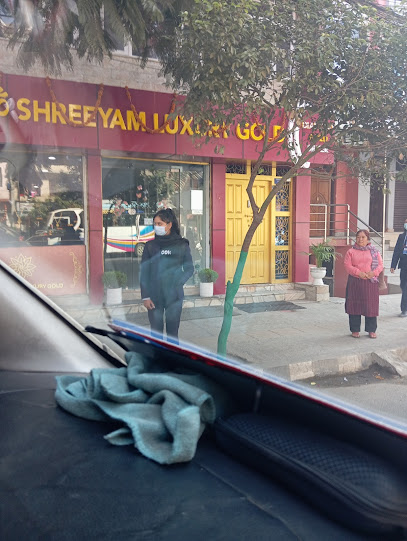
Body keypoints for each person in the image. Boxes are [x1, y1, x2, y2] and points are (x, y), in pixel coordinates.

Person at [140, 208, 194, 343]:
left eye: (160, 224)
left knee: (172, 334)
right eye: (155, 224)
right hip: (154, 297)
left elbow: (189, 268)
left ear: (169, 225)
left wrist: (178, 282)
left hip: (174, 296)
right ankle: (158, 356)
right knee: (156, 334)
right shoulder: (150, 246)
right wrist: (145, 297)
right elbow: (144, 273)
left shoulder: (181, 244)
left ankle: (171, 356)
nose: (156, 226)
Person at [344, 229, 383, 339]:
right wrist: (359, 273)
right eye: (358, 237)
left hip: (370, 282)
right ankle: (355, 330)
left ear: (368, 239)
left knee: (371, 306)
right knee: (354, 305)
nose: (360, 239)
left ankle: (371, 330)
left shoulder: (374, 251)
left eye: (363, 237)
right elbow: (347, 266)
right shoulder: (351, 251)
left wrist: (373, 273)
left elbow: (380, 265)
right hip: (355, 282)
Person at [390, 218, 407, 317]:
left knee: (406, 288)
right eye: (405, 222)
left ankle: (404, 309)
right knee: (403, 286)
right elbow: (396, 251)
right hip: (404, 265)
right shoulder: (401, 237)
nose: (406, 224)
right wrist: (393, 265)